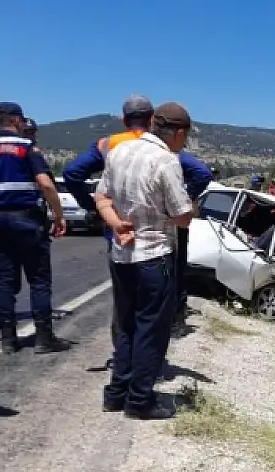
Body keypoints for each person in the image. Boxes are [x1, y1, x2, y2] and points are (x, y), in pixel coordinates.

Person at [62, 95, 212, 350]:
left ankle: (123, 358)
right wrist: (178, 202)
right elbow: (202, 173)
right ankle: (149, 361)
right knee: (152, 311)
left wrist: (97, 209)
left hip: (120, 233)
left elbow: (72, 173)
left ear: (123, 119)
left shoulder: (108, 145)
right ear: (152, 118)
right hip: (156, 241)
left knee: (124, 307)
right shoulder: (163, 149)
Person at [94, 102, 197, 419]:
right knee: (151, 329)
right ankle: (140, 400)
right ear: (178, 133)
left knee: (125, 325)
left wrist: (115, 223)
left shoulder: (118, 152)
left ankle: (116, 393)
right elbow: (182, 217)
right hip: (154, 256)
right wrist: (193, 206)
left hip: (122, 254)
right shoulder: (167, 160)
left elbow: (101, 198)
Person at [0, 102, 70, 355]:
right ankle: (44, 338)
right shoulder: (26, 147)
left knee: (4, 280)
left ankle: (8, 339)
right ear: (16, 121)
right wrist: (58, 215)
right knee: (38, 279)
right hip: (26, 219)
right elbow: (46, 185)